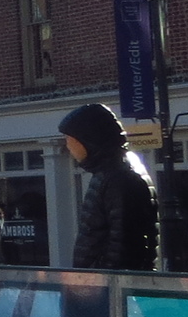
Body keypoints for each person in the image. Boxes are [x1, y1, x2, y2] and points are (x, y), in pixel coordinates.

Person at [61, 103, 160, 270]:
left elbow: (124, 247)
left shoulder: (117, 177)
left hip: (108, 289)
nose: (68, 146)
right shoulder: (114, 172)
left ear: (88, 141)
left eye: (71, 140)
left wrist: (102, 286)